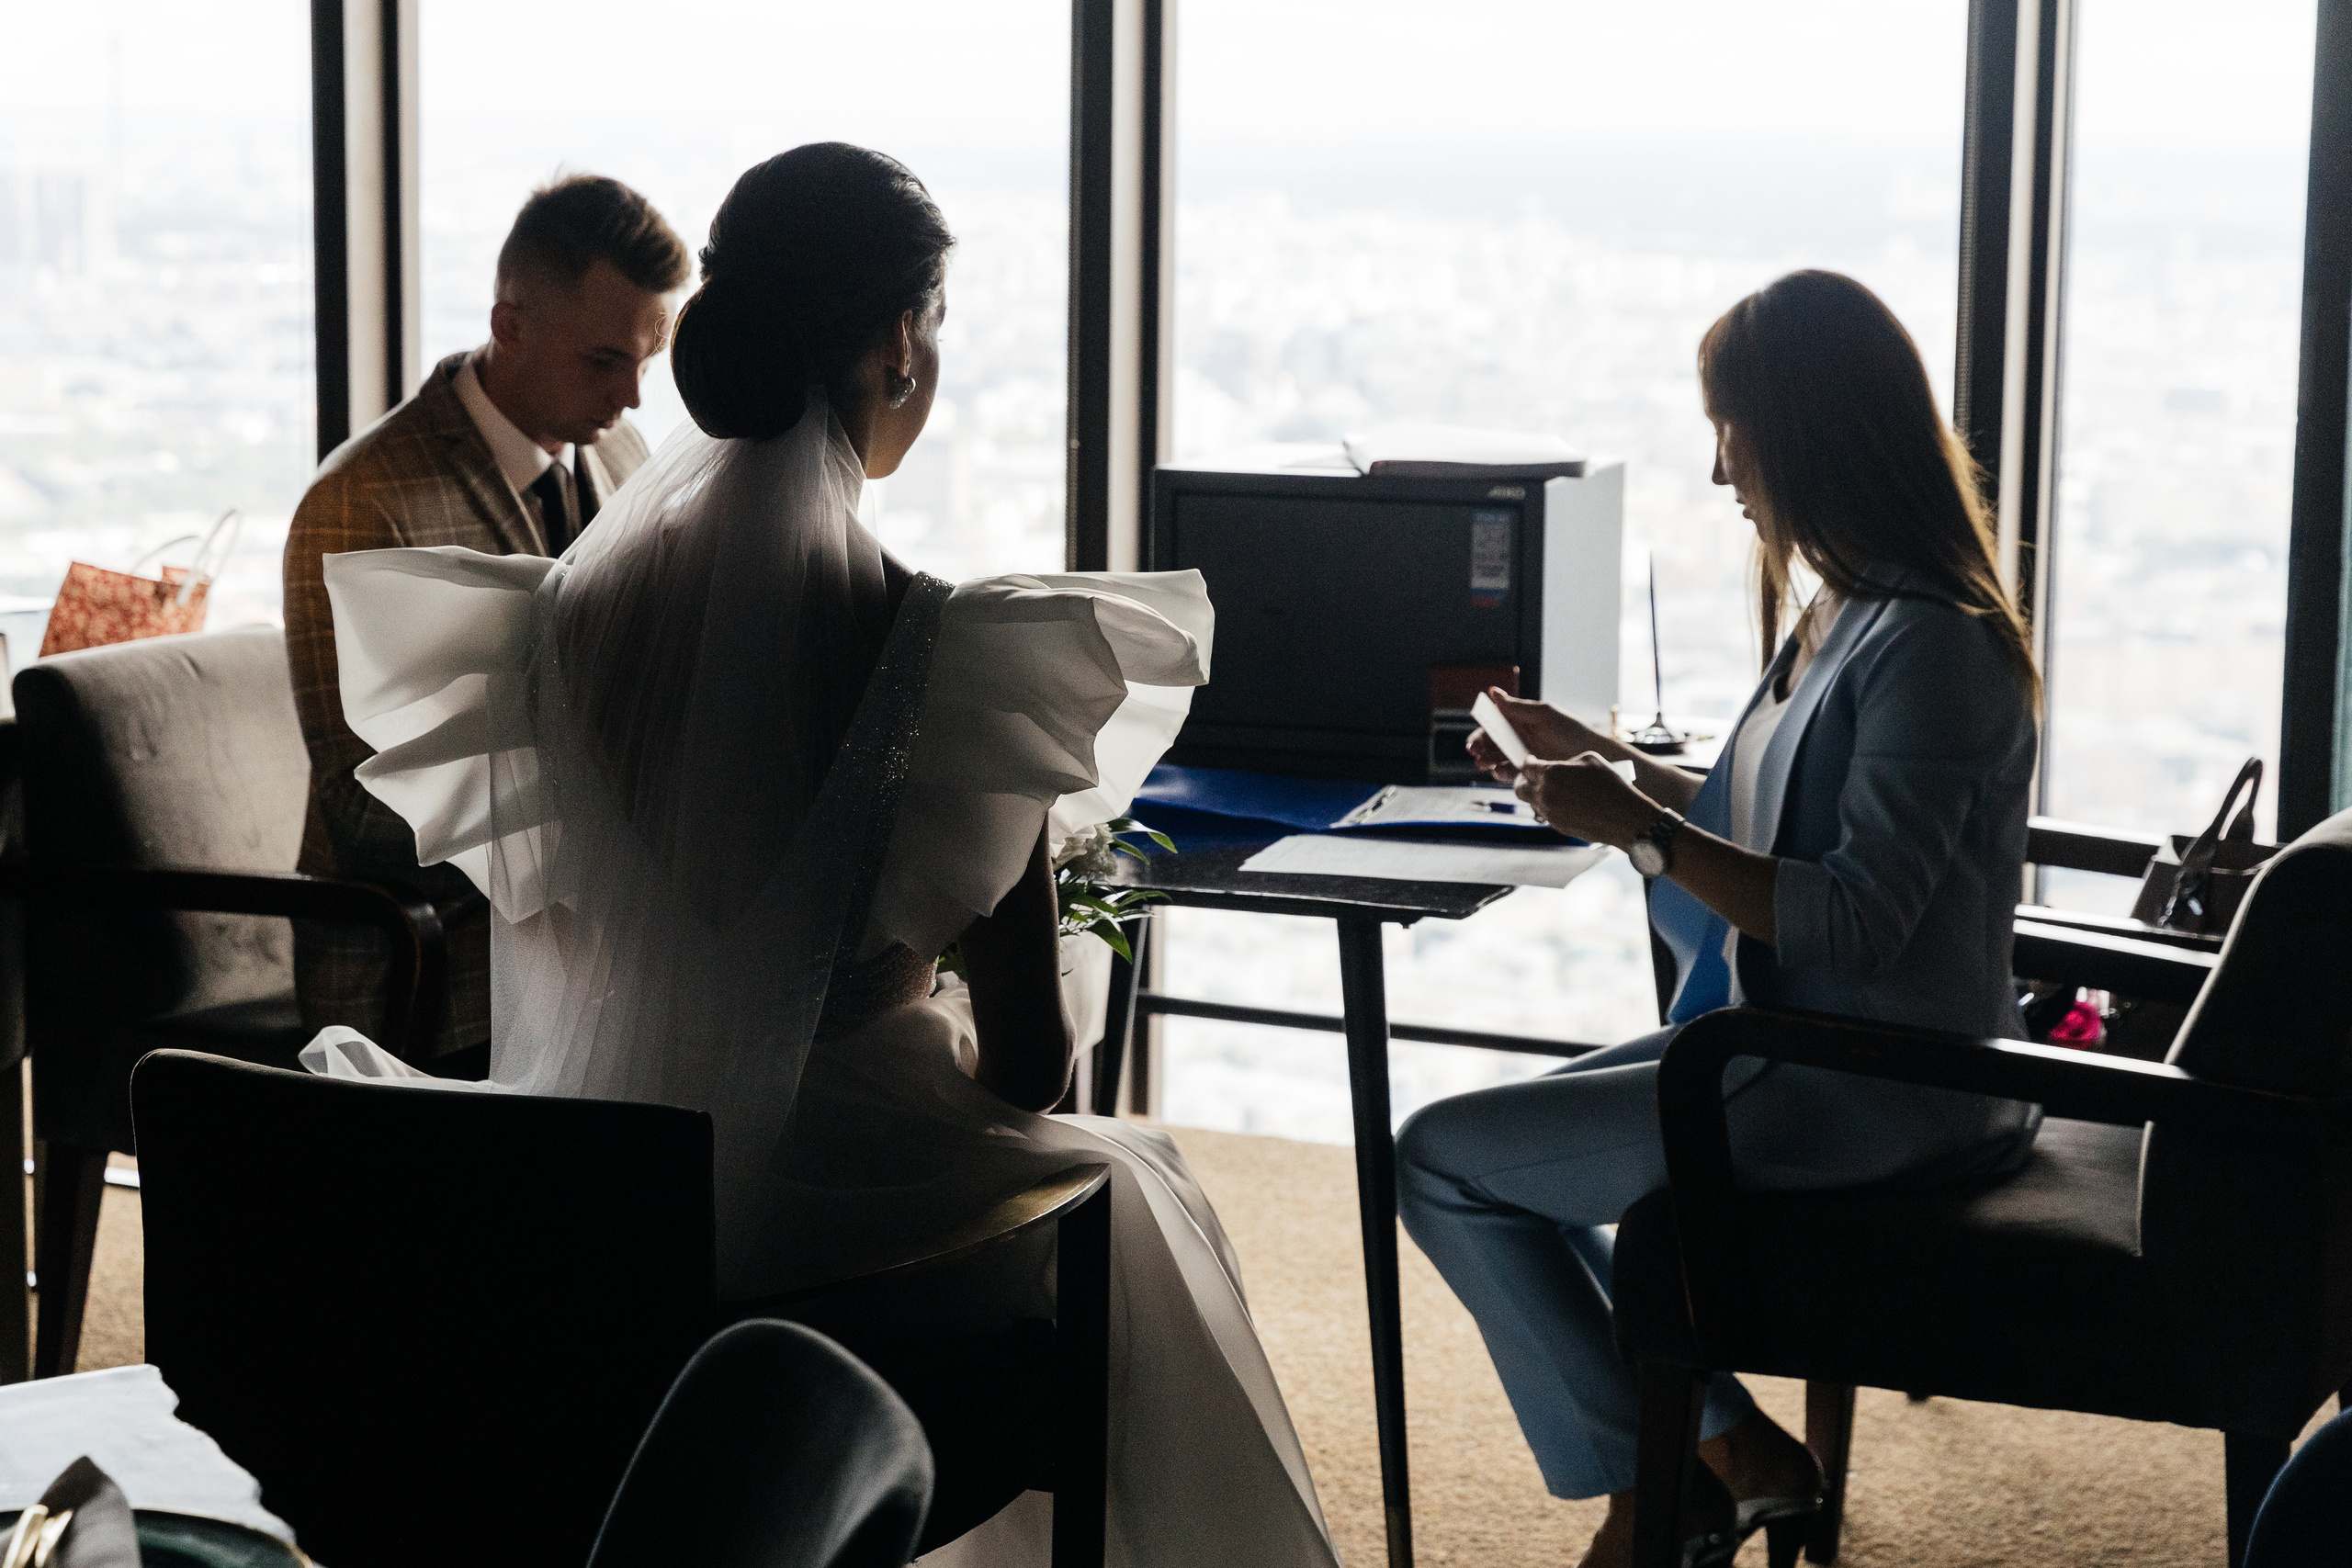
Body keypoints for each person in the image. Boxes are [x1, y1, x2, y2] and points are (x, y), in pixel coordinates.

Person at [302, 144, 1340, 1568]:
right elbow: (1031, 1063)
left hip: (597, 1207)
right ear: (901, 342)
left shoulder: (549, 627)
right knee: (1142, 1197)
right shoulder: (947, 658)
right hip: (847, 1250)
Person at [1395, 270, 2045, 1568]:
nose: (1716, 473)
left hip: (1869, 1079)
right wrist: (1613, 764)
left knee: (1444, 1164)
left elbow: (1852, 920)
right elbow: (1769, 813)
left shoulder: (1932, 643)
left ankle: (1686, 1475)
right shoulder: (1853, 607)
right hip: (1791, 1044)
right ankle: (1709, 1453)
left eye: (1728, 433)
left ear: (1799, 431)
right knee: (1484, 1160)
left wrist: (1636, 830)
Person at [282, 175, 690, 1074]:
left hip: (600, 942)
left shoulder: (615, 450)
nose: (630, 399)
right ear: (508, 327)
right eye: (602, 361)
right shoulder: (362, 505)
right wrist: (610, 817)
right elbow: (361, 807)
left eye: (644, 364)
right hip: (434, 955)